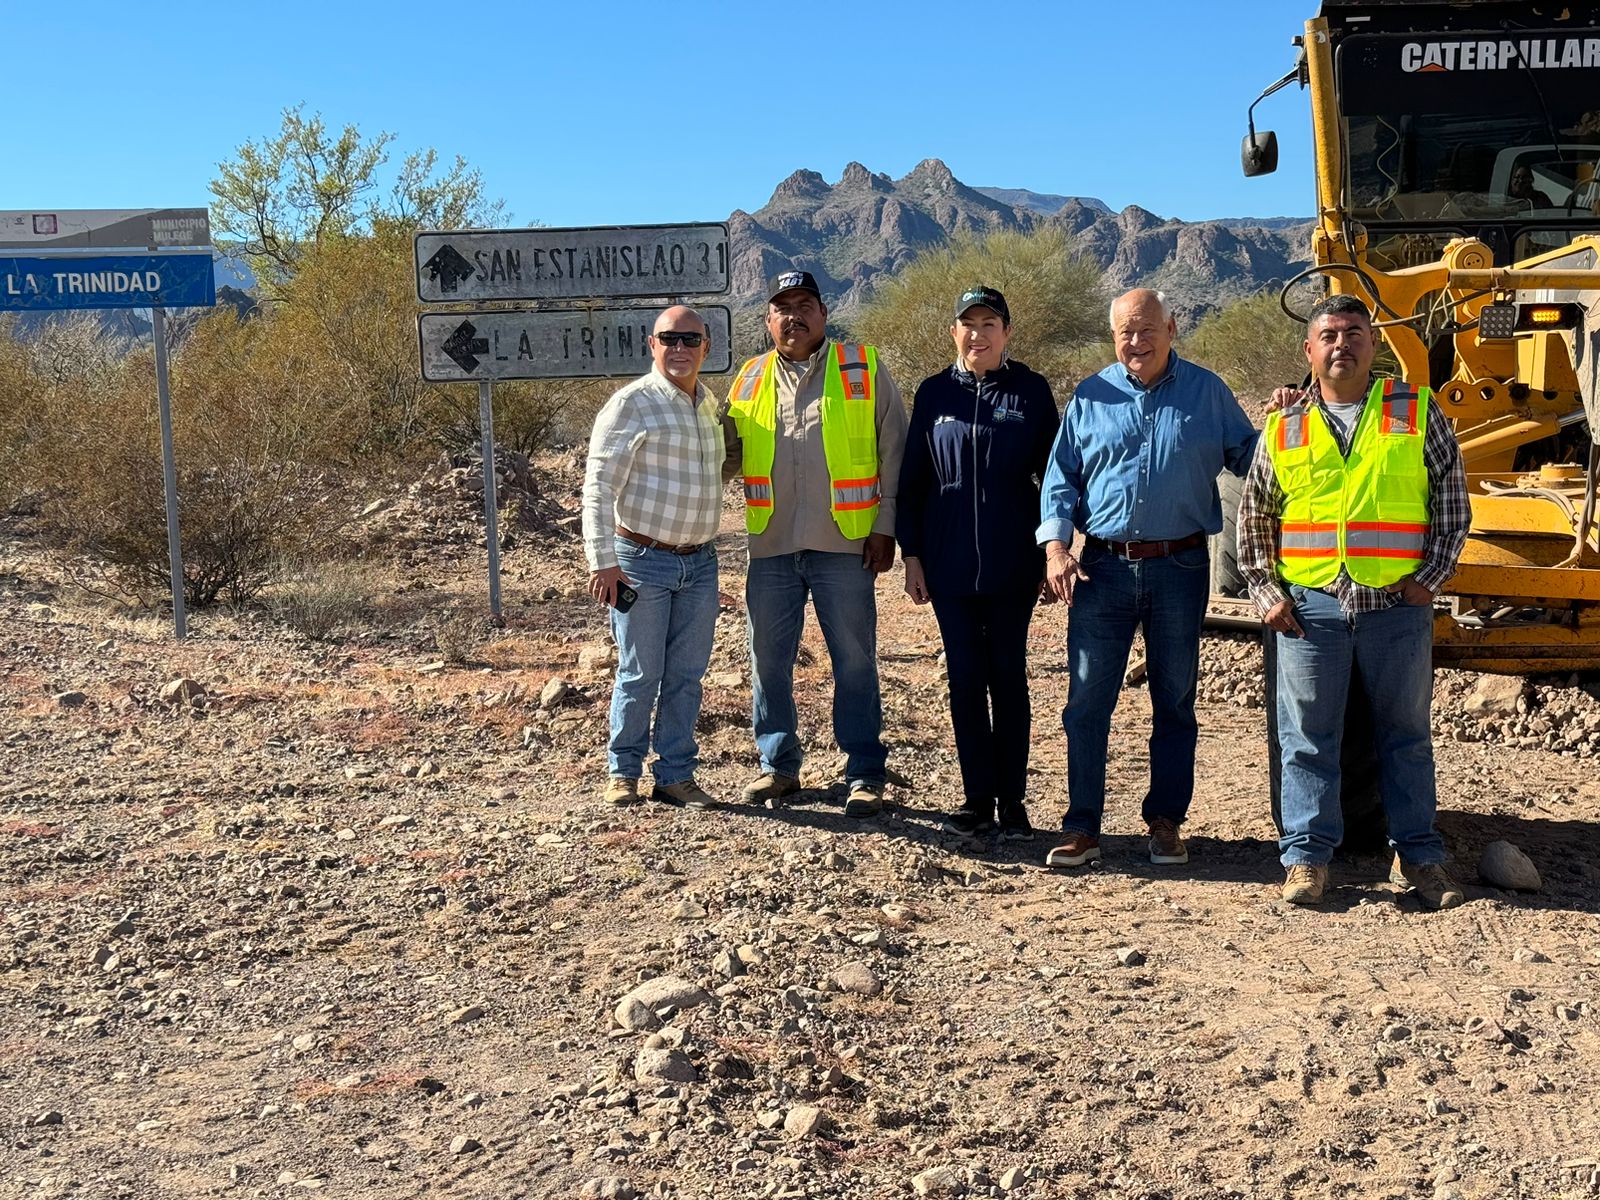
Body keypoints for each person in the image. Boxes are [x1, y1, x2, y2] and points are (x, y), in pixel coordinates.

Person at [1238, 293, 1470, 909]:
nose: (1342, 343)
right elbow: (1256, 514)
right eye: (1329, 335)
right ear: (1309, 350)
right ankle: (1308, 861)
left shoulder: (1414, 411)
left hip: (1396, 606)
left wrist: (1431, 577)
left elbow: (1452, 499)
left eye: (1354, 332)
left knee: (1405, 734)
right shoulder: (1284, 425)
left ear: (1374, 345)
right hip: (1310, 609)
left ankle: (1419, 858)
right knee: (1308, 736)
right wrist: (1266, 592)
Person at [1037, 289, 1257, 869]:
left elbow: (1252, 457)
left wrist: (1292, 420)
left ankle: (1165, 821)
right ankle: (1082, 825)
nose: (1136, 342)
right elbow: (1060, 480)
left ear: (1172, 327)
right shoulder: (1091, 395)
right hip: (1100, 568)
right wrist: (1056, 548)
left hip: (1181, 567)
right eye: (1124, 333)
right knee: (1086, 701)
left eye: (1146, 329)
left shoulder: (1207, 392)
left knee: (1175, 699)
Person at [725, 268, 909, 817]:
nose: (794, 315)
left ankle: (864, 772)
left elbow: (895, 451)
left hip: (845, 545)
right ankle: (778, 766)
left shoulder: (864, 367)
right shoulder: (749, 377)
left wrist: (886, 525)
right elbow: (724, 457)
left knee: (853, 659)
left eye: (805, 304)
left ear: (824, 314)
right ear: (767, 320)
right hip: (772, 547)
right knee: (767, 659)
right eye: (782, 307)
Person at [896, 286, 1060, 839]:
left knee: (1008, 678)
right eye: (968, 324)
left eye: (990, 323)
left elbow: (1053, 480)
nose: (978, 334)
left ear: (1007, 333)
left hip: (1014, 565)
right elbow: (913, 483)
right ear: (954, 333)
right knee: (965, 680)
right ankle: (976, 801)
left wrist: (1050, 550)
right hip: (948, 566)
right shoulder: (933, 393)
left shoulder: (1032, 392)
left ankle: (1013, 802)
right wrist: (911, 554)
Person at [583, 306, 729, 810]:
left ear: (706, 347)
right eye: (670, 339)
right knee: (639, 672)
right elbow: (598, 489)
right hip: (640, 560)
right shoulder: (631, 404)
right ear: (652, 344)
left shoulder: (709, 406)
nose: (680, 349)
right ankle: (622, 772)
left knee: (688, 675)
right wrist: (603, 562)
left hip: (701, 564)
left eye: (691, 339)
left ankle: (675, 776)